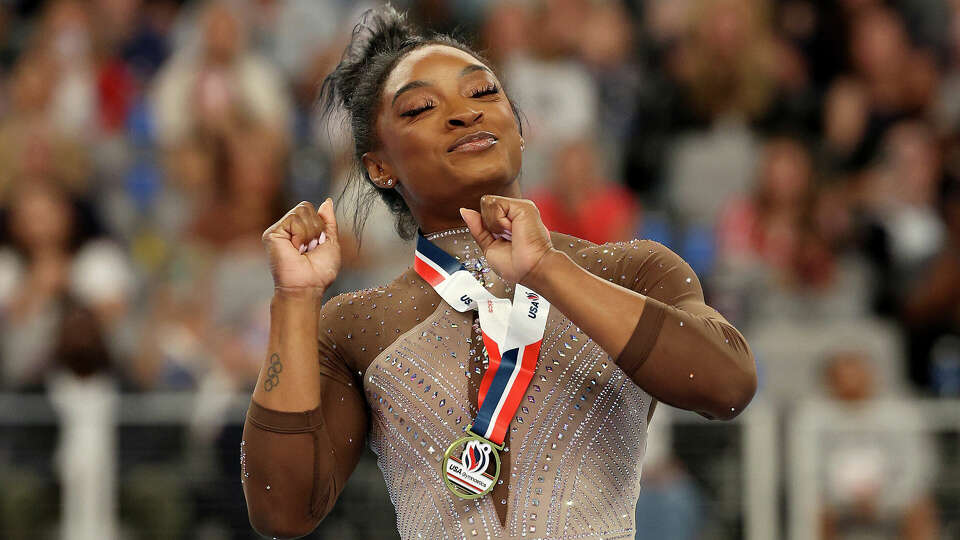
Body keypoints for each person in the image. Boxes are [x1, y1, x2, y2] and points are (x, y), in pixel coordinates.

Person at [240, 6, 756, 539]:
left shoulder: (630, 270)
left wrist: (547, 270)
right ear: (378, 167)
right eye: (420, 108)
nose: (465, 114)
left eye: (484, 94)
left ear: (520, 127)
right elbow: (282, 511)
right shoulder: (360, 325)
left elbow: (728, 385)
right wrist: (295, 300)